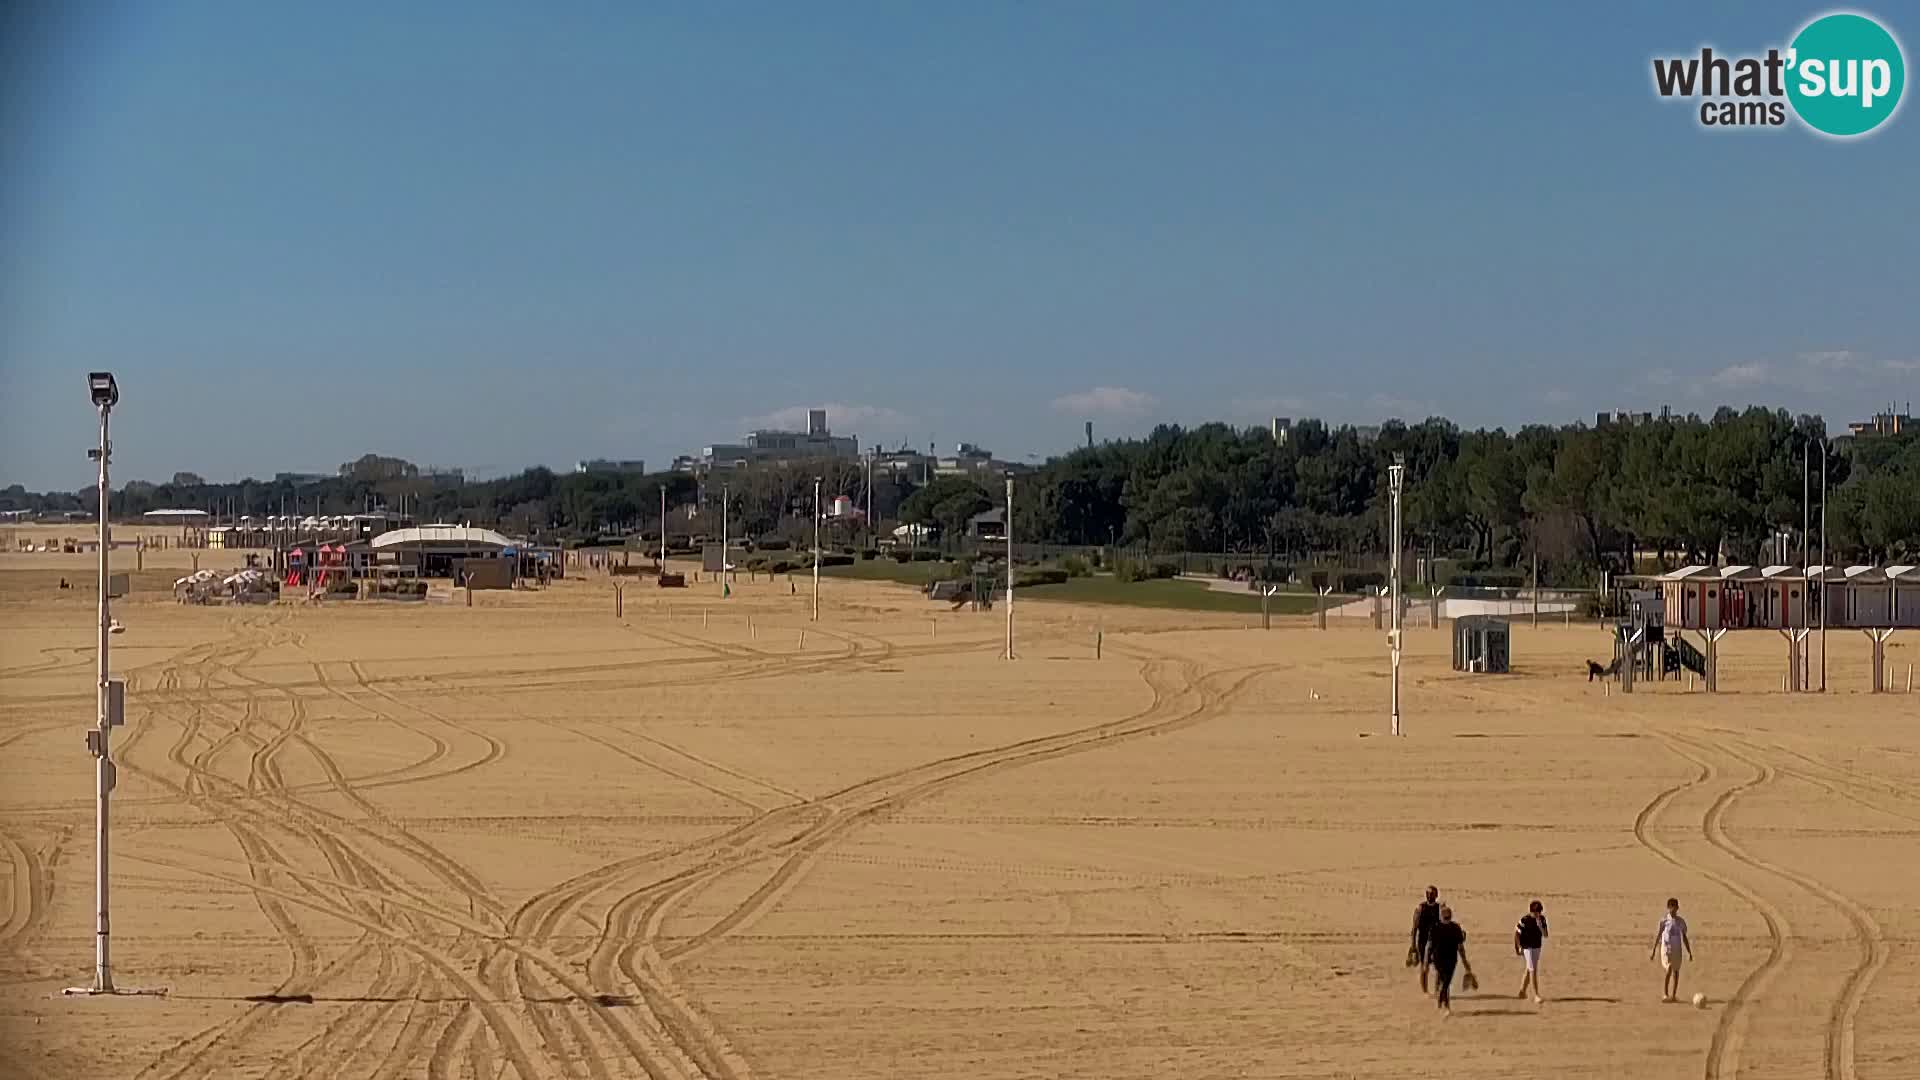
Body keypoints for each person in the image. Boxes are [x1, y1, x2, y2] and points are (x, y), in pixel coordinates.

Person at [1426, 906, 1472, 1015]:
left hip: (1451, 959)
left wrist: (1465, 961)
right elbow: (1430, 946)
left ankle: (1441, 999)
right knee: (1445, 982)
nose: (1447, 919)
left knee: (1446, 982)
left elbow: (1460, 946)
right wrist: (1427, 960)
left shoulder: (1455, 928)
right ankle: (1446, 1005)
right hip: (1438, 959)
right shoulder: (1435, 928)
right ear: (1441, 917)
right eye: (1445, 917)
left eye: (1448, 917)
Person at [1650, 896, 1693, 1002]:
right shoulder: (1664, 921)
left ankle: (1673, 995)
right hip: (1666, 949)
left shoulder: (1681, 922)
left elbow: (1684, 937)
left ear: (1677, 908)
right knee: (1669, 968)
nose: (1673, 909)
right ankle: (1665, 994)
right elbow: (1659, 935)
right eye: (1671, 907)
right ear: (1668, 908)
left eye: (1675, 907)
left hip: (1677, 950)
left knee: (1676, 971)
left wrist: (1689, 952)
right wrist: (1654, 950)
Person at [1514, 899, 1548, 1003]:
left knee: (1529, 969)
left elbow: (1545, 935)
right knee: (1533, 969)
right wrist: (1518, 947)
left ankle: (1522, 991)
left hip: (1537, 947)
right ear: (1531, 911)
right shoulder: (1524, 920)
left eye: (1539, 912)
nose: (1537, 914)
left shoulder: (1542, 919)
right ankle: (1536, 995)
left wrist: (1540, 926)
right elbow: (1517, 934)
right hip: (1526, 947)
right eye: (1535, 912)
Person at [1409, 885, 1442, 993]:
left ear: (1436, 895)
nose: (1429, 896)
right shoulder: (1420, 908)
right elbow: (1414, 928)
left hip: (1436, 941)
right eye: (1428, 893)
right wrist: (1413, 946)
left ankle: (1437, 990)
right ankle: (1425, 992)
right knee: (1424, 967)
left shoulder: (1440, 909)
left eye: (1432, 894)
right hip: (1422, 941)